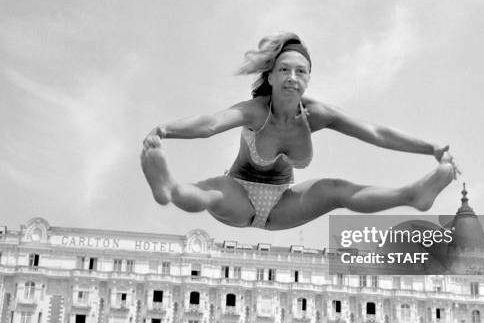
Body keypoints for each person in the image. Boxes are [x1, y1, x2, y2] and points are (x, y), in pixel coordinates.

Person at [141, 32, 458, 230]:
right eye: (284, 70)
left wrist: (429, 147)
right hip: (240, 195)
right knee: (213, 190)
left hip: (284, 205)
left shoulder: (317, 113)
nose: (293, 76)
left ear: (308, 78)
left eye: (301, 71)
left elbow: (376, 133)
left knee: (335, 189)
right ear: (272, 76)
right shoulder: (255, 110)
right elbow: (210, 124)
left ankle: (413, 196)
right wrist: (166, 130)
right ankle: (168, 189)